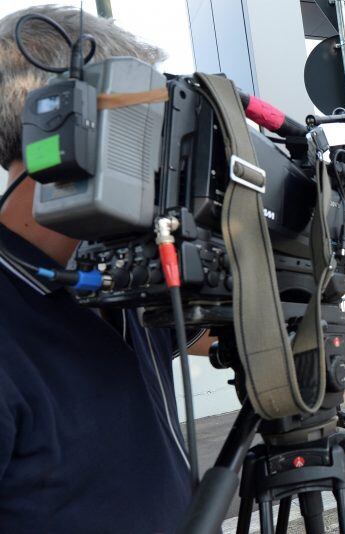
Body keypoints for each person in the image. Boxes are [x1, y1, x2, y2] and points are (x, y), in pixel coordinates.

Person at [0, 6, 197, 531]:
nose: (161, 153)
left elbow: (202, 332)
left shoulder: (113, 272)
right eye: (150, 122)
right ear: (68, 118)